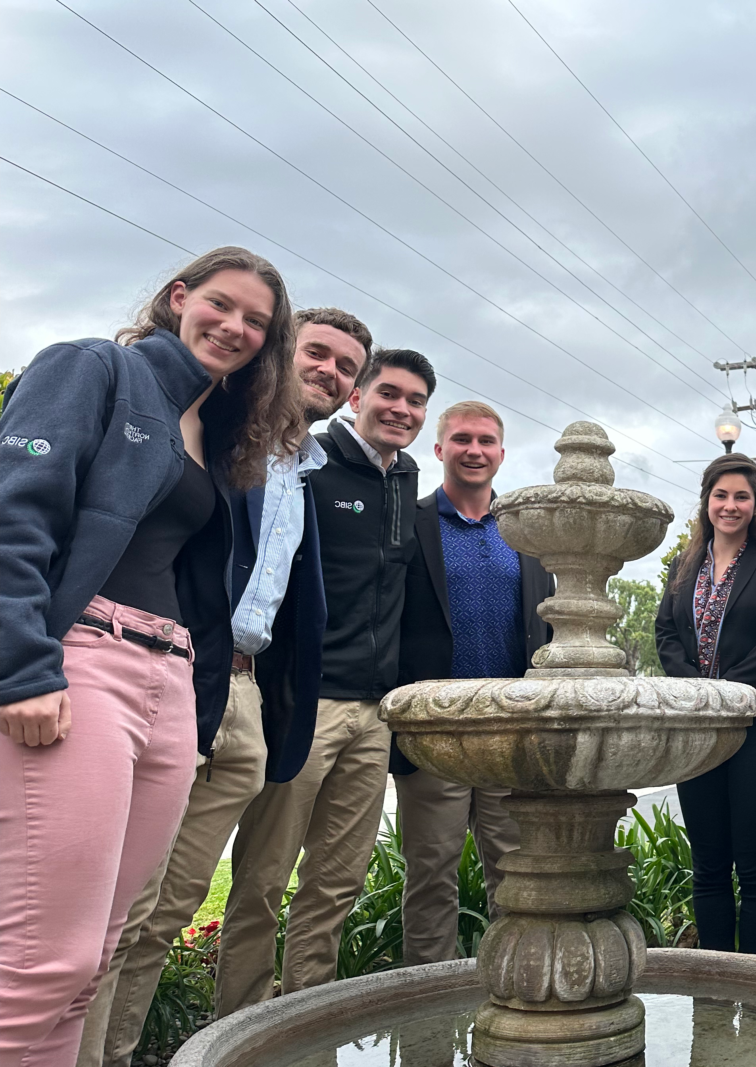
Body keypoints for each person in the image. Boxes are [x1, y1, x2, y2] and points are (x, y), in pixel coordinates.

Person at [0, 247, 302, 1064]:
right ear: (178, 297)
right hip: (84, 658)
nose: (235, 327)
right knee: (39, 963)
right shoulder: (93, 368)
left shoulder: (215, 431)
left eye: (257, 323)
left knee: (94, 956)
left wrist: (195, 705)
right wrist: (23, 666)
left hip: (168, 684)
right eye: (221, 304)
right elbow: (13, 514)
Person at [77, 308, 372, 1067]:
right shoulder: (213, 434)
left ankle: (118, 1051)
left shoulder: (301, 471)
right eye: (319, 353)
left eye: (347, 367)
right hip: (173, 672)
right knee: (121, 904)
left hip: (244, 700)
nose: (332, 373)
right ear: (284, 352)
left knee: (169, 906)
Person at [215, 347, 435, 1014]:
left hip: (375, 715)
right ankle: (241, 1023)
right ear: (357, 398)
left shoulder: (407, 481)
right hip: (306, 704)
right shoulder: (308, 464)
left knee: (335, 882)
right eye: (389, 393)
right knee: (262, 877)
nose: (402, 409)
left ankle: (307, 1019)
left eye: (416, 400)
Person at [392, 401, 554, 965]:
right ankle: (427, 1006)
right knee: (430, 875)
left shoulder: (526, 536)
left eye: (486, 441)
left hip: (512, 734)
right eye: (462, 439)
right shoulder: (409, 525)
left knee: (516, 876)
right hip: (437, 731)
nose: (474, 450)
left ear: (501, 454)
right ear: (439, 450)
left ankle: (519, 993)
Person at [655, 454, 756, 956]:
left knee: (755, 862)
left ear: (755, 504)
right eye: (721, 495)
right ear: (706, 501)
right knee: (709, 864)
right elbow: (666, 631)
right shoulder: (686, 562)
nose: (730, 505)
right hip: (697, 731)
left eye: (742, 496)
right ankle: (713, 988)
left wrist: (729, 691)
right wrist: (696, 689)